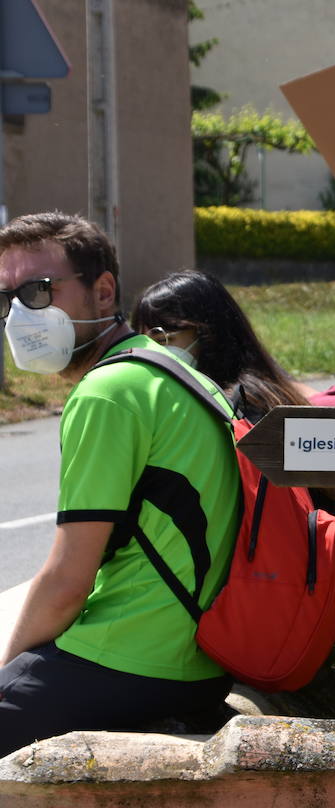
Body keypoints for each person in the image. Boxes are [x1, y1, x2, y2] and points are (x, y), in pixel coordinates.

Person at [0, 213, 240, 754]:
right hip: (200, 664)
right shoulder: (168, 370)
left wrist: (9, 669)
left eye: (39, 291)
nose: (20, 315)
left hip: (131, 661)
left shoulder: (108, 392)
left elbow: (66, 583)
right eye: (8, 299)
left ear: (103, 290)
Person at [131, 269, 335, 517]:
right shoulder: (258, 389)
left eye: (163, 338)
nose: (154, 354)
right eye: (142, 343)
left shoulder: (244, 405)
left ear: (208, 333)